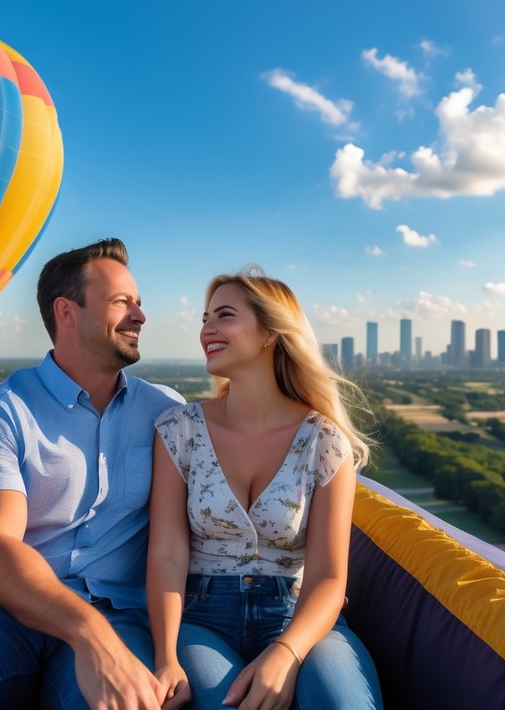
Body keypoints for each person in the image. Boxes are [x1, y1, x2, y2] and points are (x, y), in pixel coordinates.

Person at [0, 238, 183, 710]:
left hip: (121, 614)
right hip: (1, 608)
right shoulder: (1, 411)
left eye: (139, 303)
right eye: (122, 302)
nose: (140, 316)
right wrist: (89, 634)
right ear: (67, 311)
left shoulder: (167, 412)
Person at [147, 269, 382, 710]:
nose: (206, 329)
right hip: (201, 618)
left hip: (299, 617)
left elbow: (330, 576)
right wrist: (164, 658)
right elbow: (166, 555)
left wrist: (288, 652)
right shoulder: (179, 431)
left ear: (270, 333)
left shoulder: (325, 442)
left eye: (225, 315)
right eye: (205, 317)